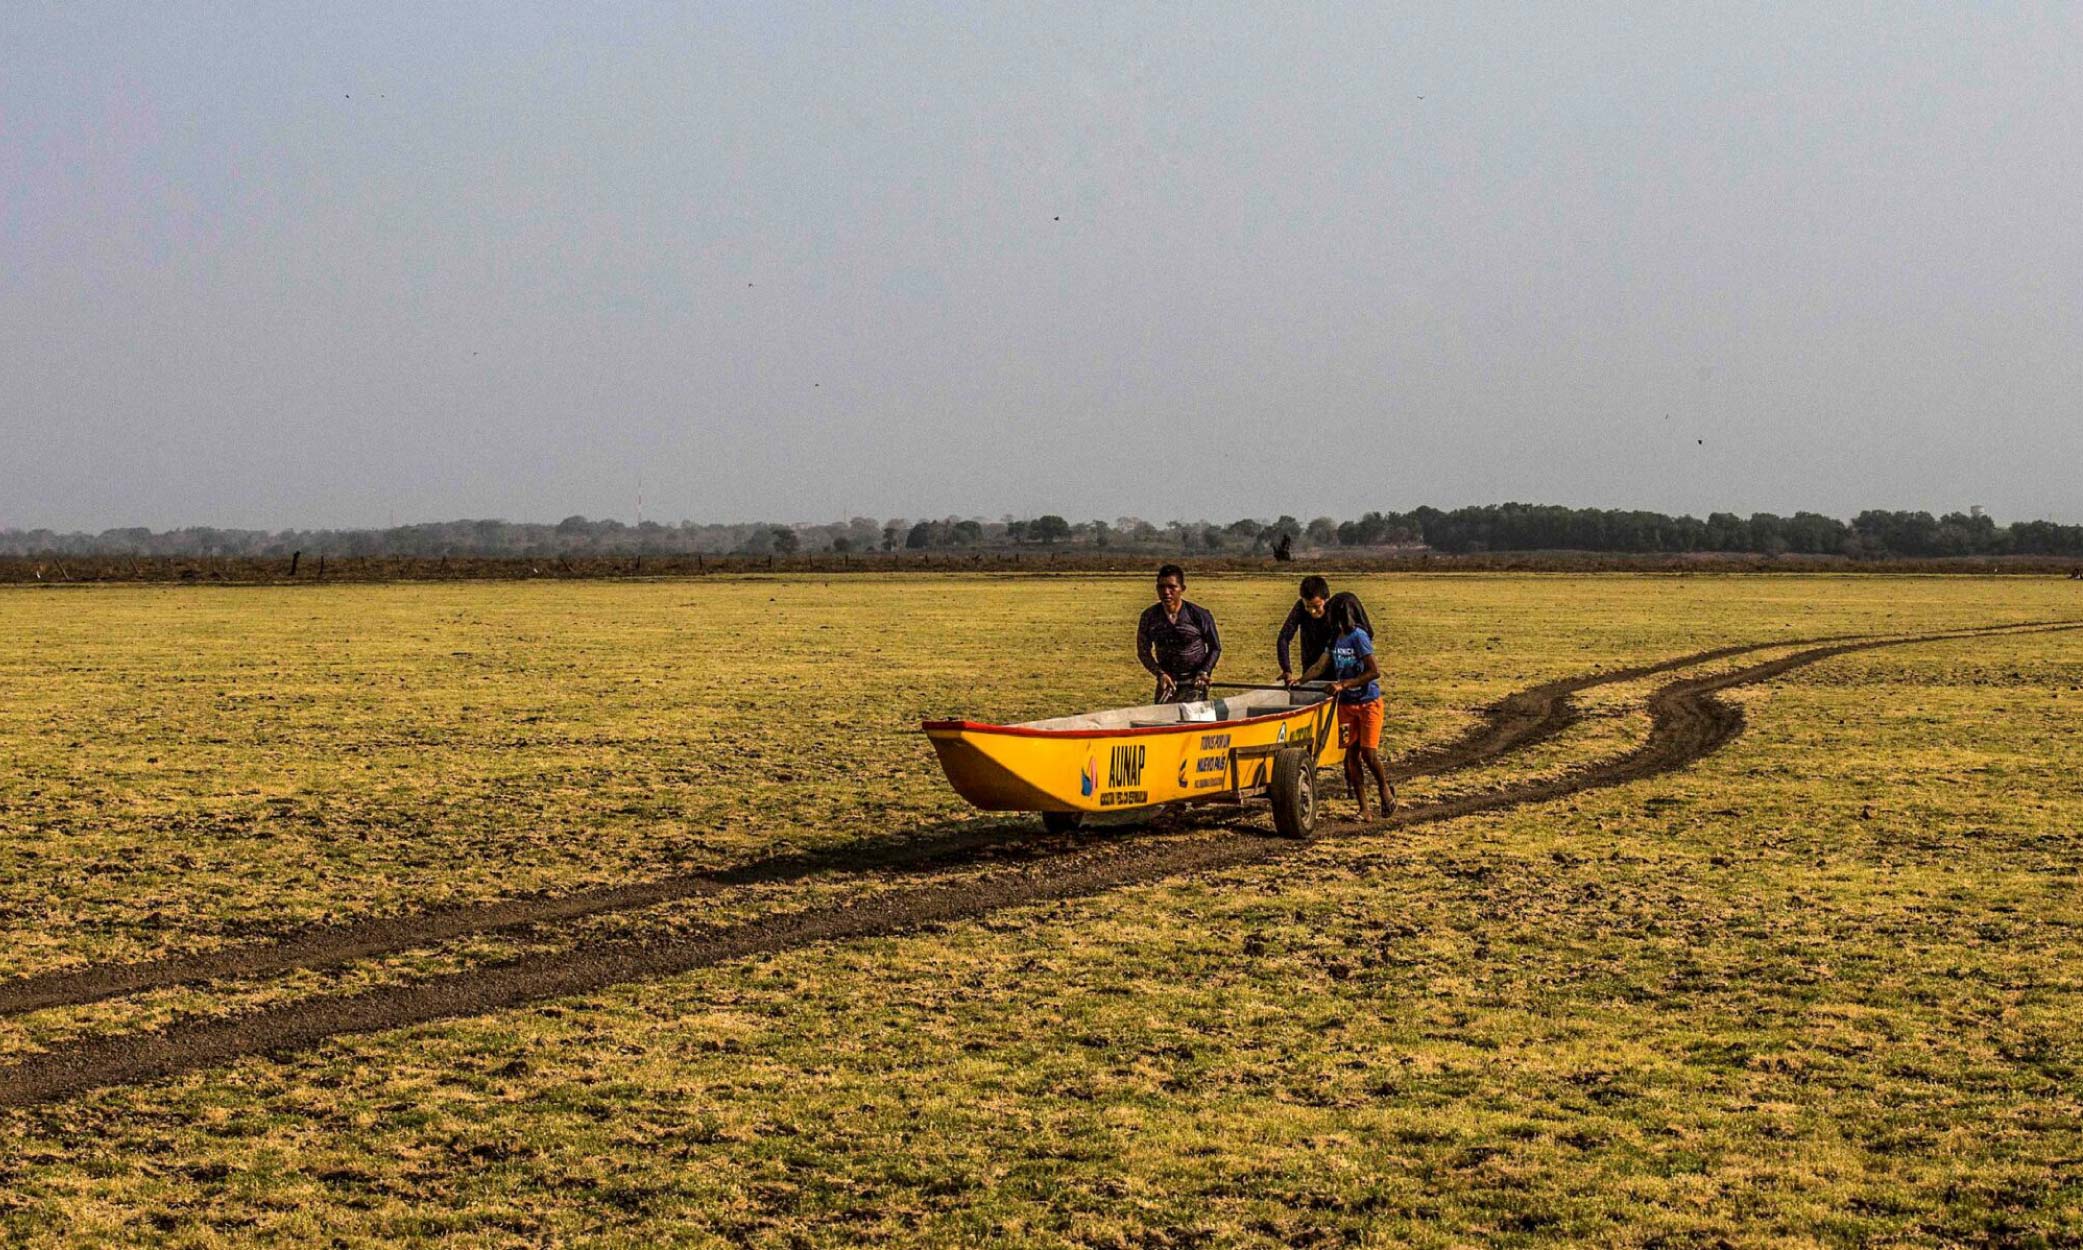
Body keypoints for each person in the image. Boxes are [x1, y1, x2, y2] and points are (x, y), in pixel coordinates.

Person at [1301, 595, 1395, 818]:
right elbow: (1320, 665)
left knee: (1368, 754)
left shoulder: (1358, 637)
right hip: (1346, 705)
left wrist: (1343, 684)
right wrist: (1300, 681)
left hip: (1367, 702)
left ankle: (1384, 789)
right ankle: (1364, 809)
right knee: (1351, 757)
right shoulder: (1334, 638)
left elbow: (1374, 671)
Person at [1136, 564, 1221, 703]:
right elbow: (1143, 651)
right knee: (1162, 722)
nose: (1166, 592)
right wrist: (1160, 674)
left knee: (1194, 721)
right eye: (1161, 587)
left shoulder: (1199, 615)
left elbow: (1215, 647)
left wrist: (1204, 671)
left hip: (1195, 683)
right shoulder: (1149, 616)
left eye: (1172, 587)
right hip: (1167, 684)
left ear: (1182, 589)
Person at [1275, 575, 1336, 686]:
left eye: (1317, 606)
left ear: (1326, 600)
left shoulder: (1335, 610)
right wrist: (1286, 669)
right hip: (1309, 672)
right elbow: (1284, 638)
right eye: (1308, 606)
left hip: (1335, 674)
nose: (1312, 611)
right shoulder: (1300, 608)